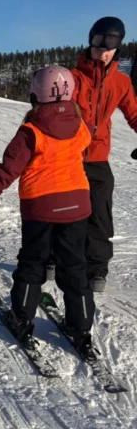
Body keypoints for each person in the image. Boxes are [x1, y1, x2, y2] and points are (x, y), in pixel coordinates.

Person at [0, 66, 96, 355]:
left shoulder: (30, 131)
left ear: (35, 95)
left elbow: (5, 173)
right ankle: (81, 329)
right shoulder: (81, 124)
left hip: (42, 208)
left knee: (33, 264)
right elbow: (84, 146)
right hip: (78, 206)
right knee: (74, 267)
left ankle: (21, 319)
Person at [71, 17, 137, 292]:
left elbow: (134, 113)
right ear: (91, 41)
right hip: (69, 155)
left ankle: (96, 269)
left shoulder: (121, 82)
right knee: (62, 208)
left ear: (117, 47)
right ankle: (51, 257)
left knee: (100, 212)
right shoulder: (72, 77)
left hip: (97, 155)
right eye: (98, 43)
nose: (103, 50)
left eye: (109, 44)